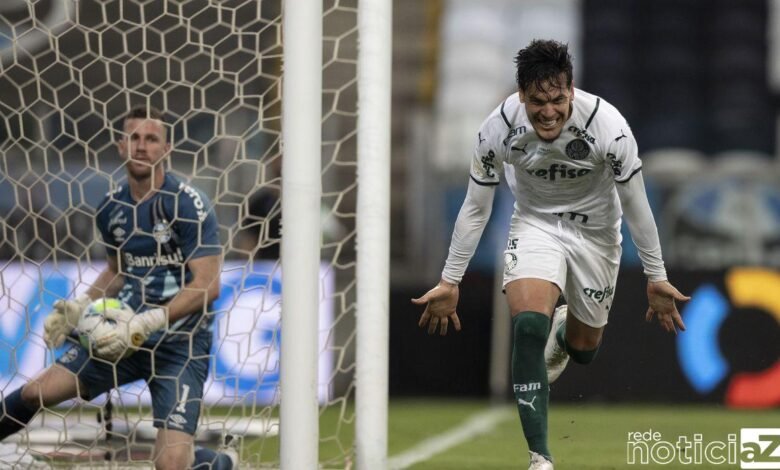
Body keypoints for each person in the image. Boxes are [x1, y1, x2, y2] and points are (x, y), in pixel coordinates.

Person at [411, 39, 690, 470]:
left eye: (558, 100)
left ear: (571, 90)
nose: (548, 112)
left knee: (584, 349)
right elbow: (476, 207)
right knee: (527, 326)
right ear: (521, 95)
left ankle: (562, 334)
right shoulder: (498, 128)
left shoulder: (608, 127)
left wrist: (656, 276)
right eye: (538, 102)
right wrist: (451, 280)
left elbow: (636, 204)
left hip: (597, 235)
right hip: (535, 224)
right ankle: (540, 458)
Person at [0, 106, 238, 470]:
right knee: (36, 391)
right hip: (119, 339)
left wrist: (149, 321)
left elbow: (208, 285)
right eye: (134, 137)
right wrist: (79, 306)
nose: (142, 146)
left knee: (171, 465)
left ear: (166, 149)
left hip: (179, 346)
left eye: (151, 139)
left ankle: (220, 463)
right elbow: (118, 270)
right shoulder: (111, 208)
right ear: (121, 145)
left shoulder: (189, 204)